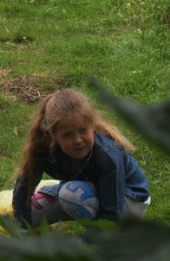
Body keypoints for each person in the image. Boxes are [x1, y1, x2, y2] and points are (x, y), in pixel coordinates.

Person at [12, 88, 150, 227]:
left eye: (83, 130)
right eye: (67, 135)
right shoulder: (43, 149)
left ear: (92, 126)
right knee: (31, 213)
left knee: (70, 196)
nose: (78, 140)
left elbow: (112, 212)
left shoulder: (107, 155)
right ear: (54, 135)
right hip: (85, 190)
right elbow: (23, 189)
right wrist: (22, 232)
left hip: (128, 200)